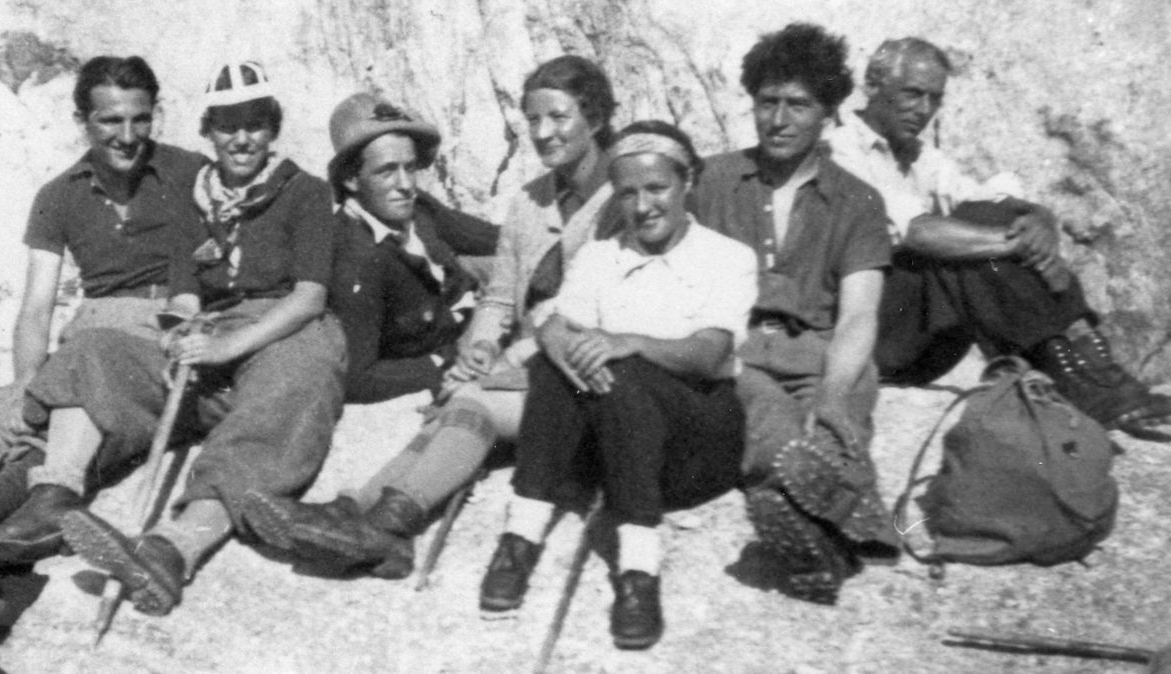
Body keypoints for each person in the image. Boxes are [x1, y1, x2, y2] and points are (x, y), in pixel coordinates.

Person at [243, 57, 622, 584]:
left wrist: (491, 362)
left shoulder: (632, 196)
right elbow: (505, 287)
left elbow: (598, 310)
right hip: (523, 355)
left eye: (558, 118)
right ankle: (362, 516)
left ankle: (380, 526)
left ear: (597, 118)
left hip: (590, 368)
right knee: (467, 396)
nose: (542, 134)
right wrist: (478, 350)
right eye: (533, 120)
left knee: (471, 399)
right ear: (353, 181)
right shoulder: (530, 201)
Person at [0, 61, 346, 617]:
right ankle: (52, 500)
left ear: (274, 127)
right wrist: (182, 329)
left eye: (255, 123)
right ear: (208, 131)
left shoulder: (304, 191)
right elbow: (185, 291)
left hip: (282, 329)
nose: (242, 138)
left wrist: (231, 347)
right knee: (95, 350)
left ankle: (171, 549)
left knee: (292, 380)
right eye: (228, 125)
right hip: (215, 334)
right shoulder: (197, 195)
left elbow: (309, 297)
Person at [0, 56, 208, 535]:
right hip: (93, 326)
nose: (127, 135)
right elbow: (37, 308)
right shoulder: (58, 196)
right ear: (82, 122)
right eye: (110, 120)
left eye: (140, 119)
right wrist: (27, 392)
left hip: (160, 328)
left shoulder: (191, 173)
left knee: (79, 376)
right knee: (46, 387)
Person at [484, 120, 754, 650]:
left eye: (658, 188)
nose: (643, 205)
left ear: (688, 183)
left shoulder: (726, 257)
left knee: (624, 372)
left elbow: (709, 354)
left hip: (693, 447)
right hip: (614, 442)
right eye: (627, 192)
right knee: (556, 367)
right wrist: (563, 343)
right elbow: (558, 321)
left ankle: (638, 571)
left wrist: (629, 341)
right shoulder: (601, 256)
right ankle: (520, 537)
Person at [824, 37, 1171, 439]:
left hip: (924, 345)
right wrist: (1019, 241)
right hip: (869, 336)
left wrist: (1039, 218)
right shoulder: (839, 150)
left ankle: (1090, 368)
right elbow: (916, 232)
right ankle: (1085, 377)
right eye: (912, 94)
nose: (923, 110)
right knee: (956, 239)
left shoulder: (920, 156)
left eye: (934, 99)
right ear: (874, 86)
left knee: (990, 217)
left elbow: (991, 201)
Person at [688, 23, 899, 604]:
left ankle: (812, 528)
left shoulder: (858, 200)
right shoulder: (711, 181)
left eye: (798, 104)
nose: (778, 119)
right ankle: (849, 528)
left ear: (829, 112)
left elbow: (859, 316)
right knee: (774, 428)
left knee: (836, 424)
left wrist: (832, 394)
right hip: (739, 350)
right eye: (767, 102)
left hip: (822, 351)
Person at [325, 96, 499, 404]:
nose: (405, 184)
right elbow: (358, 378)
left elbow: (497, 239)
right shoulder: (358, 261)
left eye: (410, 167)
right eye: (387, 171)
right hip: (459, 359)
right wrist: (441, 365)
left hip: (482, 323)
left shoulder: (416, 210)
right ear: (351, 179)